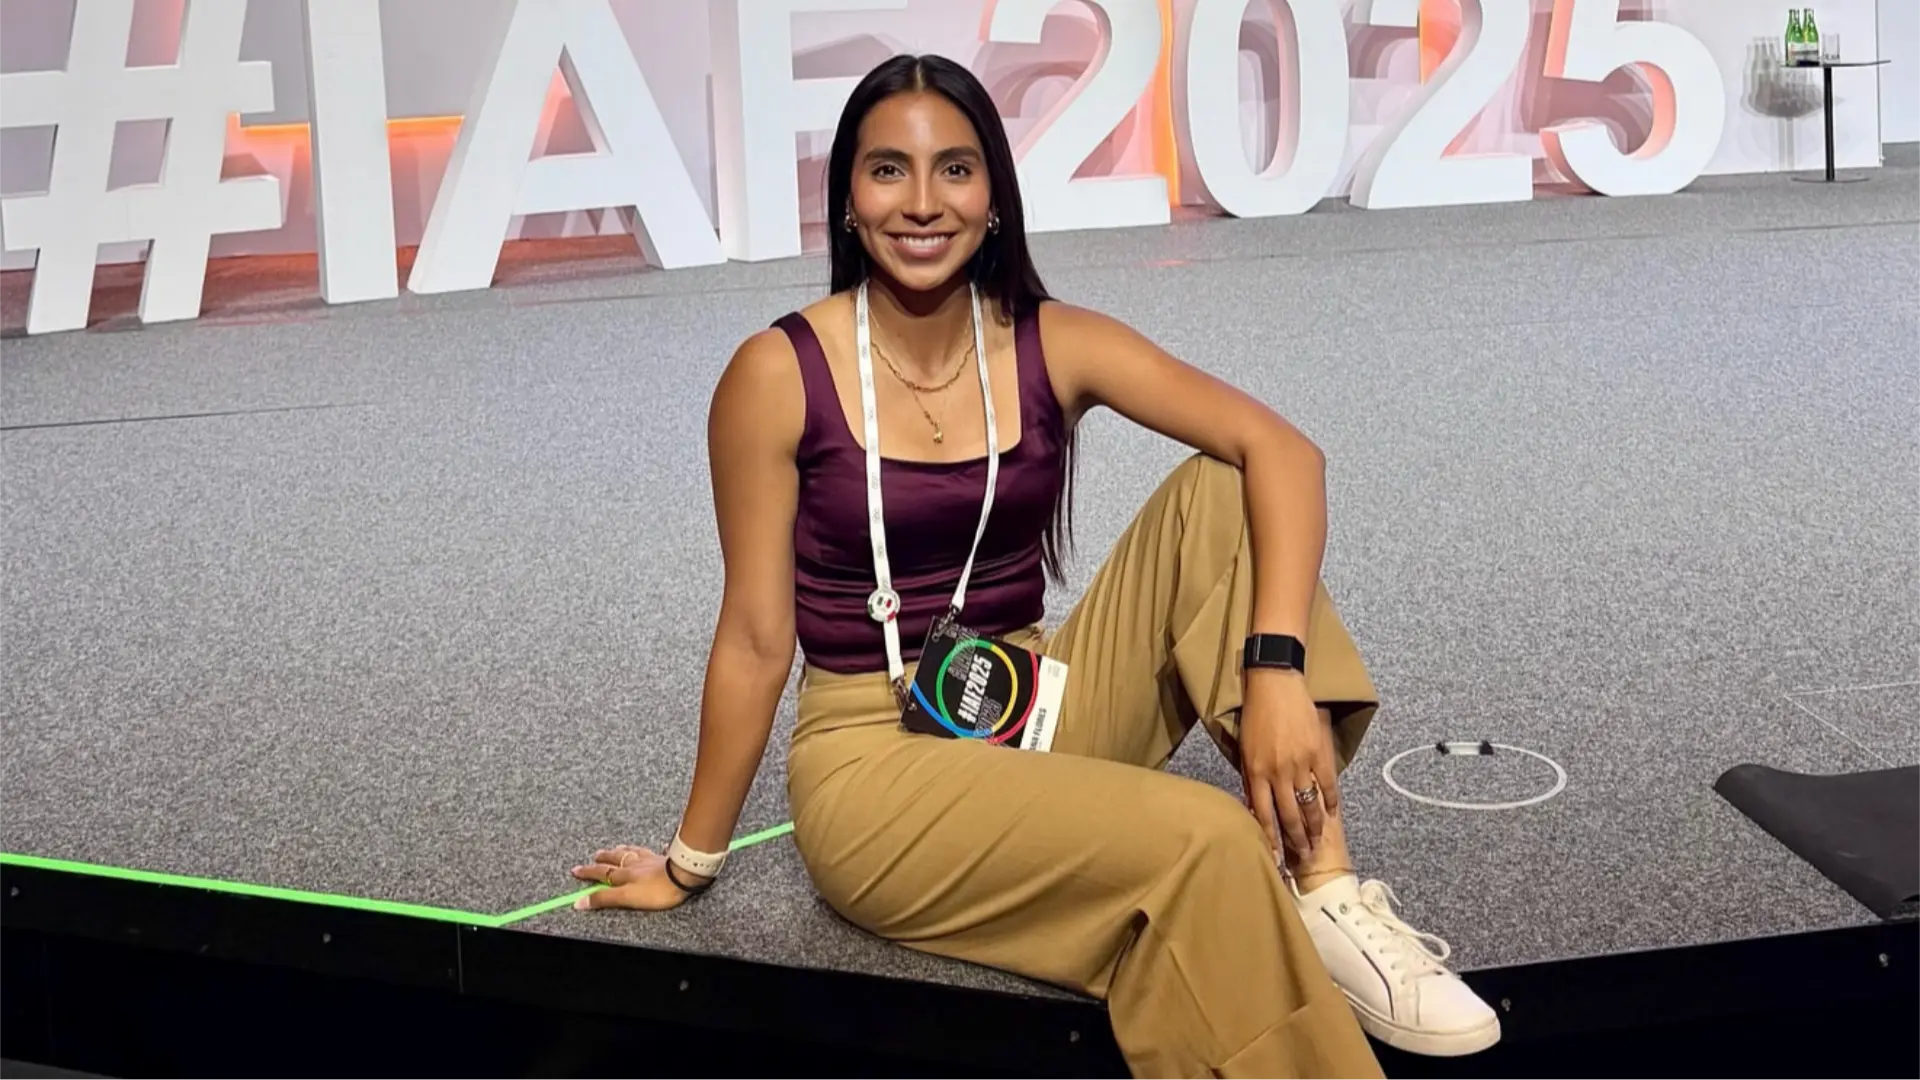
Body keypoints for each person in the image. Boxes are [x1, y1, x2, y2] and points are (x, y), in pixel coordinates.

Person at [570, 53, 1499, 1078]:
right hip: (875, 765)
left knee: (1224, 488)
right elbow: (753, 636)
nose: (922, 203)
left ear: (995, 199)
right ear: (845, 199)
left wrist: (1272, 668)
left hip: (1029, 697)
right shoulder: (775, 374)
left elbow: (1287, 453)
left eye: (955, 171)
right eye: (888, 171)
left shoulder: (1050, 341)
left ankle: (1324, 890)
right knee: (1204, 841)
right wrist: (690, 862)